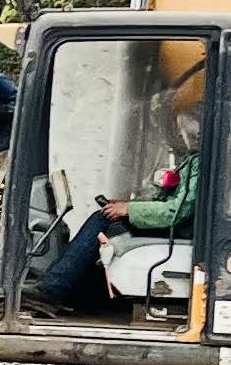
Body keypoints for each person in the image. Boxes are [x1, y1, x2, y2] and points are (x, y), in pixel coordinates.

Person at [35, 111, 201, 316]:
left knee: (102, 219)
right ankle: (68, 289)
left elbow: (175, 212)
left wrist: (129, 209)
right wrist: (126, 206)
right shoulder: (193, 160)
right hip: (183, 228)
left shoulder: (200, 163)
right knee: (110, 222)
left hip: (183, 230)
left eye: (184, 130)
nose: (181, 135)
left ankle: (53, 289)